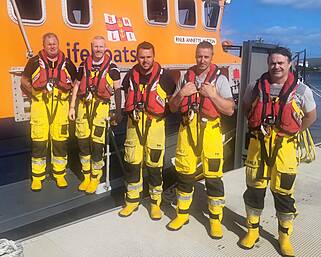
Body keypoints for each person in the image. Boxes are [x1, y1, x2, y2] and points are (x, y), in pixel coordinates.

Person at [240, 47, 317, 257]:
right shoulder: (255, 87)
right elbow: (246, 106)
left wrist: (295, 131)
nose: (276, 66)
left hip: (285, 149)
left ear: (289, 64)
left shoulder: (301, 91)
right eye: (273, 63)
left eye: (281, 63)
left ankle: (284, 237)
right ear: (268, 64)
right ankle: (252, 231)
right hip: (259, 146)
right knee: (254, 191)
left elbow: (311, 116)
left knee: (283, 195)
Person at [167, 41, 235, 238]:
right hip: (187, 131)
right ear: (195, 56)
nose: (202, 60)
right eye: (199, 56)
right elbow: (172, 107)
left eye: (206, 56)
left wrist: (213, 96)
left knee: (213, 179)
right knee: (184, 175)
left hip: (210, 133)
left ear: (212, 57)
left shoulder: (220, 80)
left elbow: (230, 109)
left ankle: (215, 221)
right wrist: (181, 93)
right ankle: (182, 214)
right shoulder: (185, 78)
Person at [118, 41, 176, 220]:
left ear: (154, 56)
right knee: (132, 164)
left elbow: (173, 100)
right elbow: (124, 92)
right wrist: (122, 112)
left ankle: (155, 203)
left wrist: (164, 112)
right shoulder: (130, 75)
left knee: (155, 167)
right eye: (142, 57)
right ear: (137, 57)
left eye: (148, 57)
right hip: (134, 125)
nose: (145, 61)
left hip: (155, 126)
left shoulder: (164, 77)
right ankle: (132, 201)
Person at [21, 32, 77, 191]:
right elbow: (24, 80)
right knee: (39, 142)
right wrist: (34, 93)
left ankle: (59, 174)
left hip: (61, 107)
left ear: (58, 44)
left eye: (54, 43)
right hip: (40, 106)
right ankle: (38, 177)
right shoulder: (33, 62)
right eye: (49, 44)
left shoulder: (67, 63)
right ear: (44, 46)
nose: (52, 46)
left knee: (60, 141)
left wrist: (72, 103)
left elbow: (76, 83)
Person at [69, 36, 121, 194]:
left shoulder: (112, 67)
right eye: (95, 47)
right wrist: (72, 106)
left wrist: (118, 111)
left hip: (101, 108)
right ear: (91, 48)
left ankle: (95, 177)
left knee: (97, 145)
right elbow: (77, 86)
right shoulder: (83, 66)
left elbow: (118, 91)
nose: (98, 49)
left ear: (105, 48)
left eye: (101, 47)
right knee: (83, 142)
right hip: (83, 107)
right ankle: (86, 175)